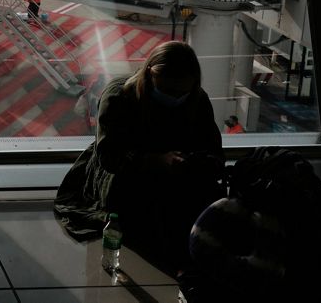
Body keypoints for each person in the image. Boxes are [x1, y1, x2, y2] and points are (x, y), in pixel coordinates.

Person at [54, 40, 224, 273]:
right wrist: (154, 160)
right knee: (145, 207)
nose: (176, 97)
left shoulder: (196, 98)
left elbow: (213, 152)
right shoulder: (119, 96)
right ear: (150, 76)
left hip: (172, 168)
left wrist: (193, 162)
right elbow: (110, 156)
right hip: (127, 170)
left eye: (182, 92)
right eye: (168, 91)